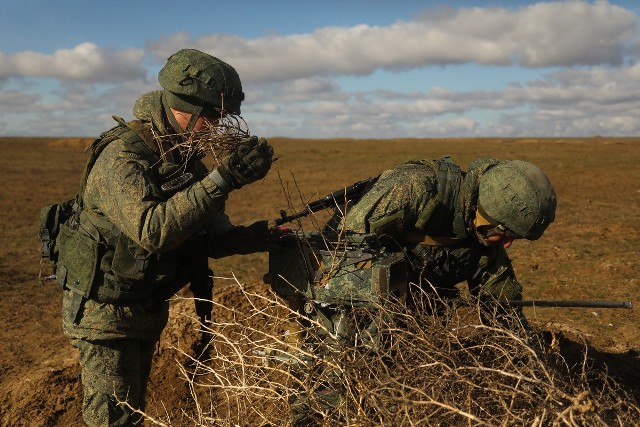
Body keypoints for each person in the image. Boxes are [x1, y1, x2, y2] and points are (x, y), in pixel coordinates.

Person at [56, 48, 277, 426]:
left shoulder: (184, 156)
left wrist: (267, 236)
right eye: (212, 117)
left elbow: (209, 235)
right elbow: (154, 231)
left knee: (133, 413)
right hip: (105, 315)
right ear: (183, 108)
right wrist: (222, 181)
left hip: (144, 308)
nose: (218, 128)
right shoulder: (123, 156)